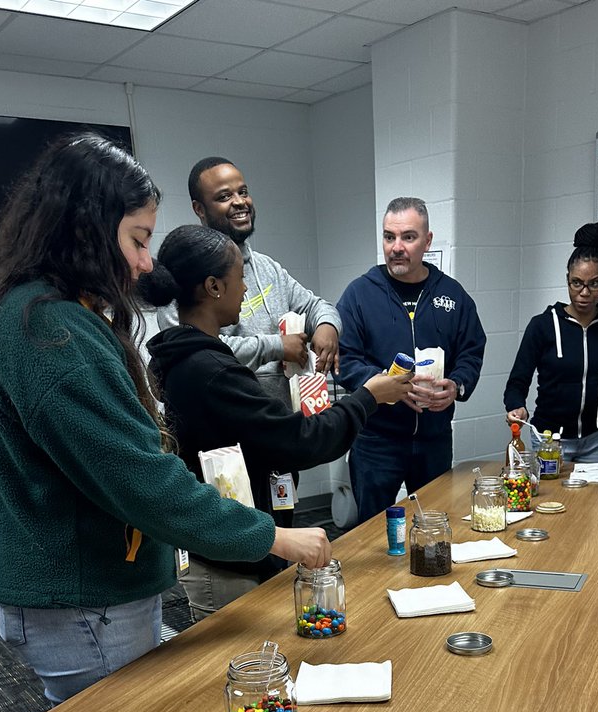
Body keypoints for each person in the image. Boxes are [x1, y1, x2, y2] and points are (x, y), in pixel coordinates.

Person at [0, 134, 329, 705]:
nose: (148, 263)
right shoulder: (49, 332)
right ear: (86, 230)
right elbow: (140, 478)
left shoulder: (49, 313)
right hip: (85, 602)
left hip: (93, 592)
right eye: (138, 240)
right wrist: (272, 537)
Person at [141, 225, 412, 619]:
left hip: (242, 546)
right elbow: (302, 441)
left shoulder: (192, 359)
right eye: (240, 280)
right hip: (229, 564)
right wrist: (369, 397)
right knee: (250, 670)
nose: (247, 291)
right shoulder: (209, 370)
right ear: (215, 287)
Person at [336, 197, 486, 525]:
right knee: (371, 533)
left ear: (427, 241)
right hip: (377, 440)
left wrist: (457, 385)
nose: (396, 247)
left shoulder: (452, 295)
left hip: (434, 438)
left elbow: (472, 351)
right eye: (389, 237)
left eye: (408, 237)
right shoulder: (360, 294)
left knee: (433, 526)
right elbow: (345, 359)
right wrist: (383, 386)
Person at [157, 156, 341, 408]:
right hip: (227, 428)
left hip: (278, 427)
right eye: (224, 197)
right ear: (199, 209)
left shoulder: (268, 268)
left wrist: (326, 326)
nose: (239, 202)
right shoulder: (185, 272)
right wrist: (276, 346)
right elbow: (195, 352)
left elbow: (315, 306)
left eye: (243, 192)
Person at [503, 221, 598, 462]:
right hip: (549, 439)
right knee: (551, 501)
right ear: (567, 279)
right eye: (577, 283)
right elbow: (517, 382)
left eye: (594, 284)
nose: (584, 292)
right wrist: (516, 406)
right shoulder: (542, 325)